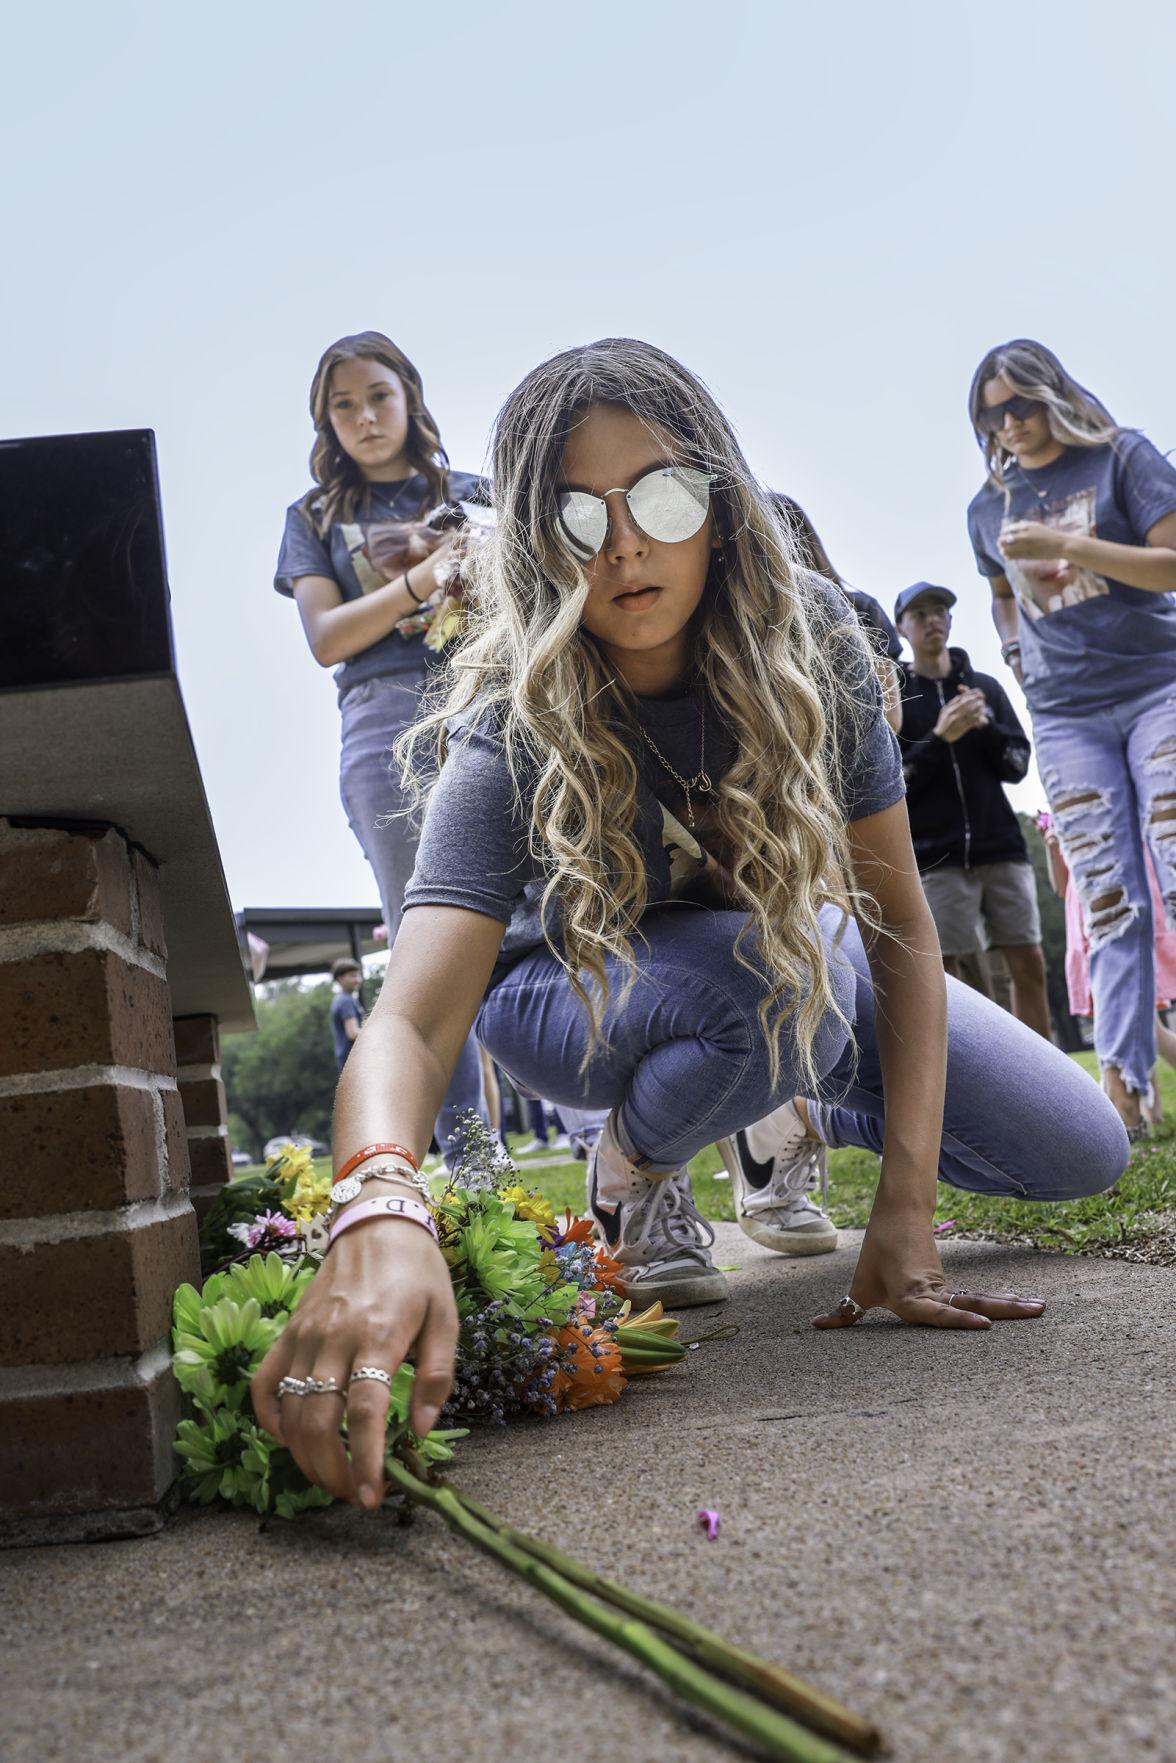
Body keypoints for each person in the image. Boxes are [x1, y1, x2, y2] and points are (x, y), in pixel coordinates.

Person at [255, 338, 1127, 1508]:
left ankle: (799, 1091)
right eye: (574, 514)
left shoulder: (809, 635)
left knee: (1081, 1148)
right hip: (561, 989)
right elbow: (410, 1019)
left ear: (718, 500)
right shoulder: (517, 709)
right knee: (776, 980)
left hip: (778, 961)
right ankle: (631, 1162)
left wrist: (906, 1212)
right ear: (526, 537)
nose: (623, 543)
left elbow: (900, 927)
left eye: (659, 494)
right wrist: (379, 1199)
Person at [274, 331, 487, 1164]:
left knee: (543, 925)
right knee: (429, 947)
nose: (365, 416)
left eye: (379, 396)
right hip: (381, 724)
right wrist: (420, 581)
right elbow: (327, 636)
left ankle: (618, 1157)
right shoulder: (314, 518)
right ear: (326, 421)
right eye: (343, 404)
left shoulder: (474, 495)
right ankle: (475, 1169)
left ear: (411, 398)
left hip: (488, 705)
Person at [966, 338, 1176, 1134]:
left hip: (1159, 686)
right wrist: (1019, 658)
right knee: (1110, 898)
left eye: (1020, 403)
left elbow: (1170, 563)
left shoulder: (1122, 457)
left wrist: (1068, 545)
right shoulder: (988, 506)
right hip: (1067, 717)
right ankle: (1125, 1089)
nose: (1009, 422)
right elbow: (1000, 595)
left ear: (1054, 393)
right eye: (992, 413)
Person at [893, 581, 1051, 1038]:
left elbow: (1017, 765)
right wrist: (941, 739)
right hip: (936, 858)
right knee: (943, 977)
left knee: (1030, 962)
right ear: (902, 628)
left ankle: (1040, 1083)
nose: (932, 620)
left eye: (939, 610)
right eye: (919, 614)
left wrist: (983, 728)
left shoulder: (984, 687)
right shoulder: (897, 698)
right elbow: (894, 781)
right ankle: (966, 1082)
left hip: (1001, 847)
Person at [1041, 815, 1176, 1122]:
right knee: (1138, 1026)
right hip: (1088, 931)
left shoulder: (1110, 812)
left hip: (1118, 926)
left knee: (1136, 1027)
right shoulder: (1069, 818)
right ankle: (1149, 1115)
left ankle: (1133, 1115)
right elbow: (1062, 887)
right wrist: (1052, 847)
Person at [328, 957, 365, 1073]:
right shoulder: (345, 1001)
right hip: (354, 1062)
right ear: (340, 979)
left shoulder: (345, 999)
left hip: (348, 1062)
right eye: (352, 976)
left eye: (358, 975)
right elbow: (353, 1033)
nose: (358, 980)